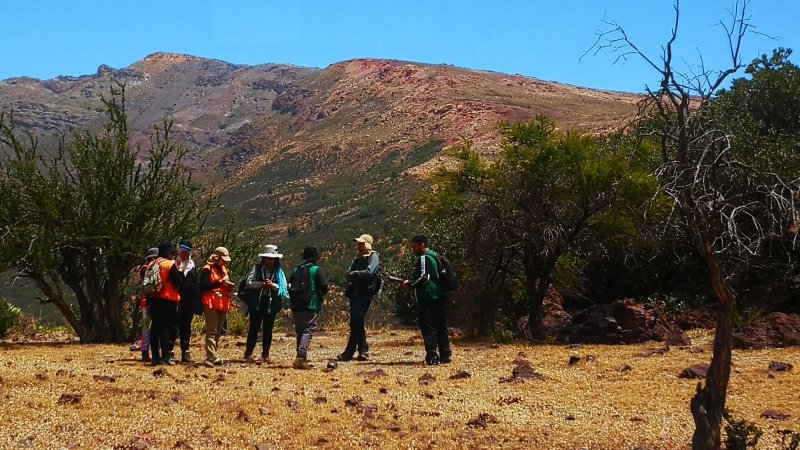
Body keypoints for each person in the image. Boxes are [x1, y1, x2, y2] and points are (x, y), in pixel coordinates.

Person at [402, 235, 452, 366]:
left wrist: (411, 284)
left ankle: (432, 357)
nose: (413, 249)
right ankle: (445, 354)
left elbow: (425, 277)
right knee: (441, 326)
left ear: (422, 245)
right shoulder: (435, 255)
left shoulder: (424, 258)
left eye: (414, 246)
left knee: (429, 327)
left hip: (429, 297)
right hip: (439, 296)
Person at [337, 234, 380, 362]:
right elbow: (348, 273)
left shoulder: (374, 256)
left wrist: (354, 274)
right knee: (357, 321)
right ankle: (363, 350)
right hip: (355, 293)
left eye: (361, 243)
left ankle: (349, 351)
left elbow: (370, 272)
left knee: (356, 319)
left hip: (365, 293)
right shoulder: (357, 258)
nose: (358, 245)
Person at [242, 245, 288, 364]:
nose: (269, 260)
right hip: (257, 303)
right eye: (267, 258)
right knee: (253, 328)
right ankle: (248, 353)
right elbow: (249, 283)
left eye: (271, 258)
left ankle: (265, 354)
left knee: (268, 329)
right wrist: (261, 284)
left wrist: (272, 285)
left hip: (270, 304)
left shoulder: (279, 272)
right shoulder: (256, 269)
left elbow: (283, 288)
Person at [289, 246, 328, 369]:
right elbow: (324, 287)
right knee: (308, 330)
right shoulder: (317, 270)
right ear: (315, 258)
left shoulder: (296, 270)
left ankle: (301, 358)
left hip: (296, 306)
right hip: (311, 304)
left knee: (300, 331)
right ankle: (301, 357)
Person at [148, 241, 186, 366]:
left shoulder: (153, 263)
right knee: (165, 328)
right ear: (168, 253)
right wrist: (180, 270)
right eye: (172, 253)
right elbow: (178, 281)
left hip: (153, 298)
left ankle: (154, 357)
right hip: (168, 299)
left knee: (155, 328)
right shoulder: (169, 264)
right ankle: (165, 356)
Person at [200, 246, 234, 367]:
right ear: (217, 257)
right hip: (210, 302)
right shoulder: (207, 269)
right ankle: (211, 356)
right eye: (223, 259)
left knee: (219, 331)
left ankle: (214, 354)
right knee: (211, 331)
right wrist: (219, 282)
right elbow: (204, 285)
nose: (224, 261)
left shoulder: (223, 269)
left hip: (222, 302)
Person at [175, 240, 200, 363]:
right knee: (173, 326)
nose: (183, 254)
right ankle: (169, 352)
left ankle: (185, 352)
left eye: (185, 252)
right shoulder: (174, 265)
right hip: (174, 300)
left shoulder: (192, 266)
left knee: (185, 327)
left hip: (188, 302)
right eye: (181, 251)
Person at [132, 247, 158, 362]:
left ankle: (145, 350)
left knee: (146, 326)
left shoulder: (145, 268)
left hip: (145, 302)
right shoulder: (149, 269)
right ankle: (145, 350)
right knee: (148, 327)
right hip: (149, 302)